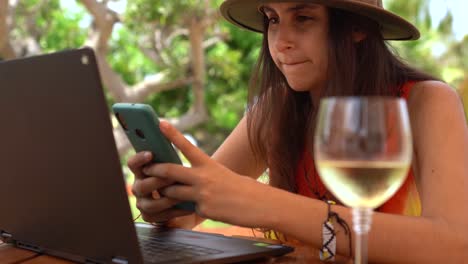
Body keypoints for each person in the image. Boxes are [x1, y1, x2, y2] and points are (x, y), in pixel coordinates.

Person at [128, 0, 468, 262]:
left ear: (356, 28)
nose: (281, 41)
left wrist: (262, 202)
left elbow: (455, 246)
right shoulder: (275, 108)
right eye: (273, 19)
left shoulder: (425, 102)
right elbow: (189, 217)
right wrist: (164, 204)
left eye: (302, 18)